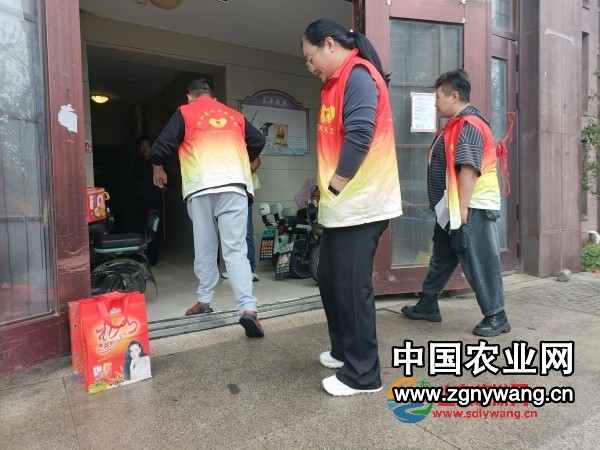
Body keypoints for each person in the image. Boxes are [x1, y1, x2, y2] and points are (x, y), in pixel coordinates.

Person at [301, 19, 402, 396]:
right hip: (342, 206)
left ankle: (364, 375)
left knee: (351, 287)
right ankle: (344, 351)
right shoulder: (335, 83)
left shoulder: (358, 74)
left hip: (363, 203)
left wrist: (335, 185)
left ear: (329, 44)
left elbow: (360, 134)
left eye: (310, 57)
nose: (310, 66)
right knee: (331, 280)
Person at [151, 79, 266, 338]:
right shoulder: (234, 115)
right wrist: (242, 160)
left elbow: (160, 147)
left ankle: (204, 300)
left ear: (189, 97)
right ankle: (249, 309)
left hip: (201, 186)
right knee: (236, 250)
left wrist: (158, 169)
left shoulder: (185, 111)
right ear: (213, 97)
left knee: (205, 246)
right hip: (234, 186)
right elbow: (258, 139)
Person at [401, 68, 511, 337]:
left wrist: (461, 209)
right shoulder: (454, 124)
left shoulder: (469, 125)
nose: (435, 103)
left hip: (471, 207)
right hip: (452, 206)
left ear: (454, 96)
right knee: (443, 254)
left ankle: (497, 316)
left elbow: (469, 168)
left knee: (479, 259)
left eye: (438, 97)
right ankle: (428, 303)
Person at [221, 156, 261, 282]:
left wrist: (241, 173)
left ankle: (250, 271)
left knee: (246, 234)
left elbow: (256, 162)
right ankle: (234, 270)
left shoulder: (244, 146)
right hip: (229, 193)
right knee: (231, 234)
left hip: (244, 193)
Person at [134, 136, 164, 266]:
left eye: (147, 146)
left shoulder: (156, 162)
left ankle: (152, 259)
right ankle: (141, 256)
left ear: (152, 148)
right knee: (141, 228)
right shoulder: (137, 163)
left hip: (154, 200)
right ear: (139, 148)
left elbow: (165, 182)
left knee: (154, 229)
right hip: (140, 200)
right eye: (142, 146)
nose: (145, 148)